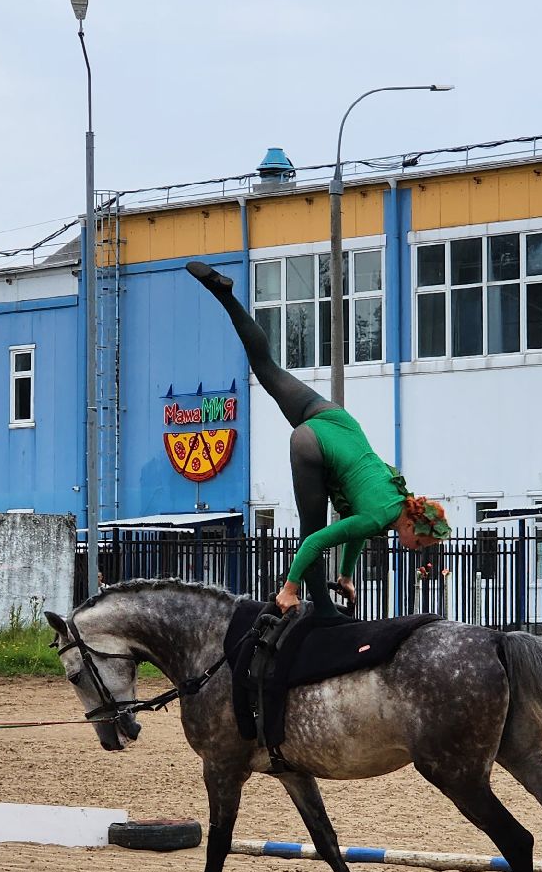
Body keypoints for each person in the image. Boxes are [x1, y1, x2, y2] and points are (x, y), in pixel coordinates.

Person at [187, 260, 449, 617]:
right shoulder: (379, 516)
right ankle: (315, 608)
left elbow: (358, 527)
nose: (416, 549)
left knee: (267, 368)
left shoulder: (395, 499)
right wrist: (289, 587)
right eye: (419, 542)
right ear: (410, 523)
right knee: (312, 532)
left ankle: (225, 295)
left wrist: (345, 574)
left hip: (332, 418)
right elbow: (322, 539)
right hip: (312, 444)